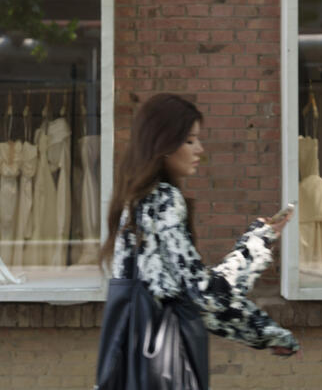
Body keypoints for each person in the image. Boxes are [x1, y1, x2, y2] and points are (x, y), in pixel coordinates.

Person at [101, 93, 300, 365]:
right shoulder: (163, 201)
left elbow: (187, 288)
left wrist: (259, 241)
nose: (200, 150)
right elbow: (204, 296)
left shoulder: (135, 203)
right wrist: (270, 333)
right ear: (164, 144)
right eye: (190, 140)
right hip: (162, 369)